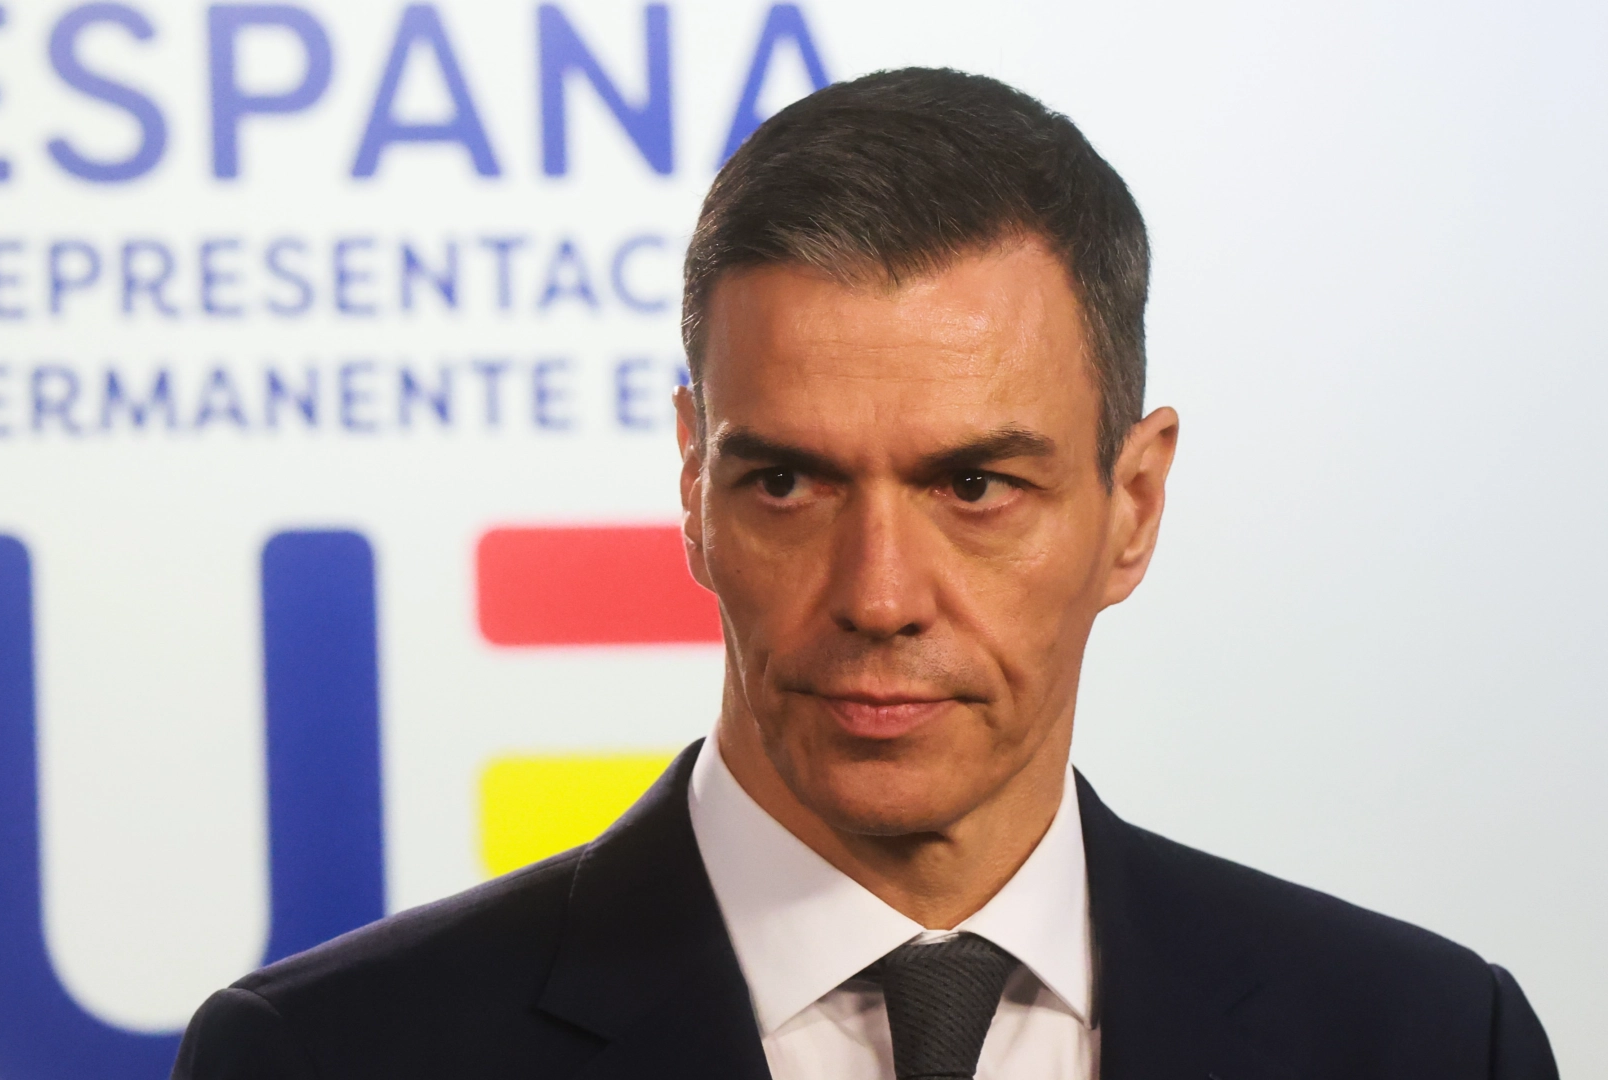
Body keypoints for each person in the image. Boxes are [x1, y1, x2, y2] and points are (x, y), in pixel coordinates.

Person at [172, 67, 1557, 1080]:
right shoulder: (331, 1059)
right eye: (789, 482)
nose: (880, 595)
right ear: (693, 486)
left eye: (974, 487)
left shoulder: (1428, 1044)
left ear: (1132, 504)